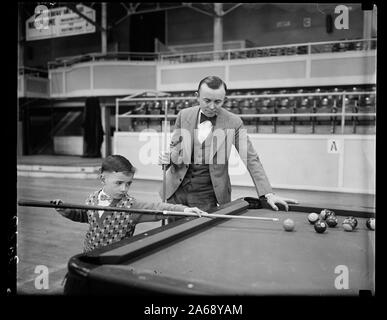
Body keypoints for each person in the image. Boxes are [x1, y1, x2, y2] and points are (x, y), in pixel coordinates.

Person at [160, 75, 298, 213]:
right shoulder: (183, 115)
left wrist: (267, 193)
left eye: (218, 102)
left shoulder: (234, 122)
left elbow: (251, 158)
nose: (212, 106)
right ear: (197, 96)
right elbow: (176, 148)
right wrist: (170, 157)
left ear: (225, 100)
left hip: (207, 196)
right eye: (207, 100)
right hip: (175, 191)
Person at [51, 155, 204, 253]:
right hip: (89, 254)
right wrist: (67, 211)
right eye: (119, 183)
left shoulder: (132, 206)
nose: (124, 189)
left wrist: (185, 210)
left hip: (116, 261)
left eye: (128, 184)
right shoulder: (92, 198)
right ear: (103, 179)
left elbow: (159, 208)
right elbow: (85, 216)